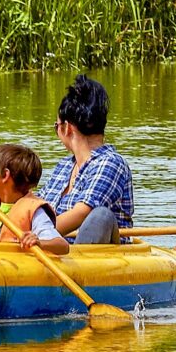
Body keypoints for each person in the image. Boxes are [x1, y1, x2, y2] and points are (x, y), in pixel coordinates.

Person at [43, 74, 135, 245]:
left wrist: (38, 234)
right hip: (53, 249)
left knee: (101, 216)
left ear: (67, 128)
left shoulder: (111, 163)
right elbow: (38, 207)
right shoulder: (63, 167)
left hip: (96, 256)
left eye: (56, 127)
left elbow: (82, 213)